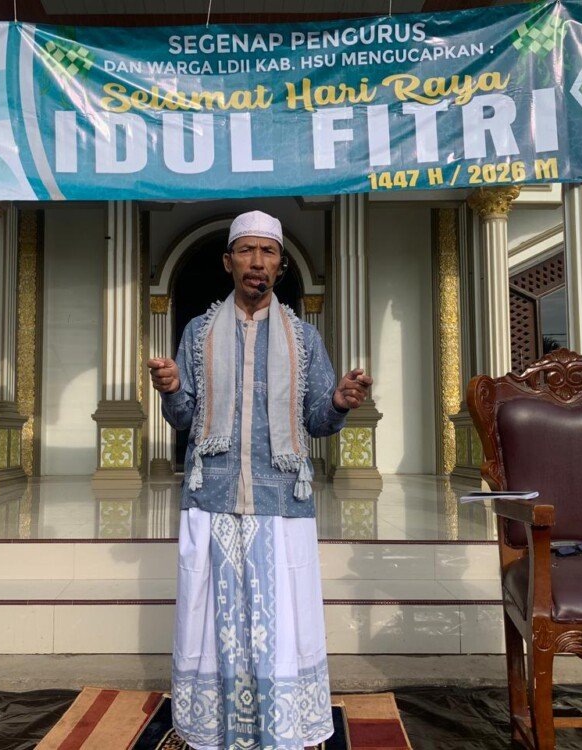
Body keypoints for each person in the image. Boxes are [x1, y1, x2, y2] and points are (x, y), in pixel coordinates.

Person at [147, 210, 372, 750]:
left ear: (280, 264)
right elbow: (185, 420)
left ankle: (282, 724)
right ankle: (212, 725)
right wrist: (172, 390)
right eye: (246, 251)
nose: (257, 262)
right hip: (213, 496)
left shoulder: (305, 338)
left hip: (280, 500)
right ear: (228, 262)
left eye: (267, 252)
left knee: (281, 619)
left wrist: (339, 402)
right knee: (211, 618)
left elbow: (317, 421)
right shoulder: (198, 333)